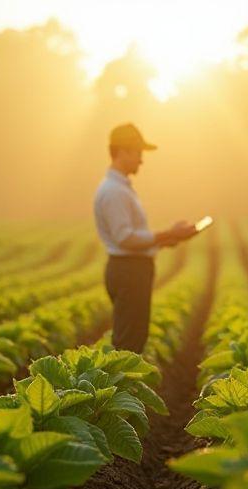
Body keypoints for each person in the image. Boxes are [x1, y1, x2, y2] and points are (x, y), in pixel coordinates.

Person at [93, 123, 198, 353]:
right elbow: (124, 238)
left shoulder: (120, 188)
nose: (141, 160)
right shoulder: (114, 191)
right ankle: (120, 377)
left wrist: (163, 242)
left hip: (130, 269)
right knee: (128, 345)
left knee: (133, 338)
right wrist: (170, 233)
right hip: (129, 271)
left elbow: (129, 238)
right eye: (138, 153)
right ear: (122, 152)